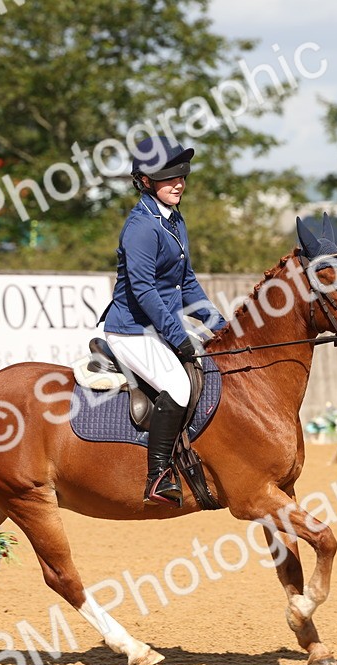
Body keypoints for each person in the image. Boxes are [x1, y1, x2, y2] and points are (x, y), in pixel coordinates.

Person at [102, 136, 227, 507]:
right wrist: (180, 335)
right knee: (178, 384)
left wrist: (220, 327)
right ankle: (157, 475)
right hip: (131, 330)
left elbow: (186, 283)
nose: (178, 183)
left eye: (181, 176)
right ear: (145, 181)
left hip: (159, 327)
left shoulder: (173, 220)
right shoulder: (142, 226)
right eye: (168, 178)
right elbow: (143, 290)